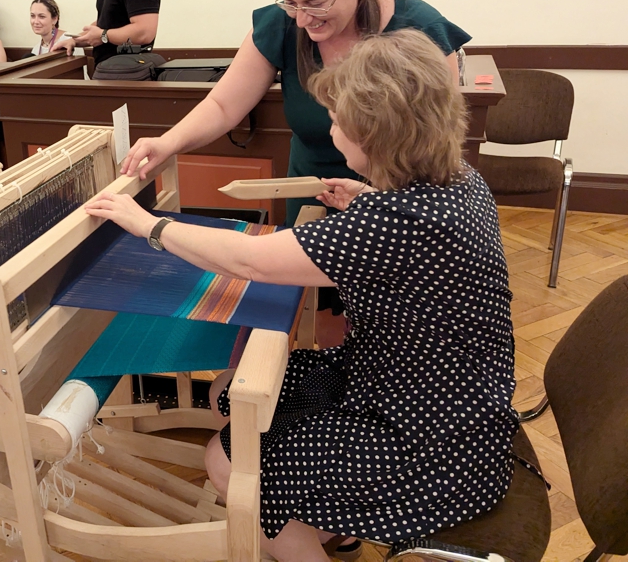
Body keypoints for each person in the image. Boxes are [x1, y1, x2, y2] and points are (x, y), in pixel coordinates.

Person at [85, 29, 521, 562]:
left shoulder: (393, 223)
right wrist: (366, 193)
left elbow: (250, 262)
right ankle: (335, 529)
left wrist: (147, 225)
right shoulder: (460, 181)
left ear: (375, 135)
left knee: (225, 462)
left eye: (337, 121)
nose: (330, 129)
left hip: (431, 445)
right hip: (424, 393)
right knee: (229, 393)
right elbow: (404, 242)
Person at [121, 0, 469, 347]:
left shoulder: (420, 30)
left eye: (316, 3)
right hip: (326, 191)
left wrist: (150, 227)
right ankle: (342, 364)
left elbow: (436, 136)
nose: (302, 19)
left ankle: (355, 369)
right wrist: (168, 143)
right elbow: (224, 103)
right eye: (291, 2)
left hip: (390, 197)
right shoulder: (285, 23)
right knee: (319, 318)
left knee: (386, 322)